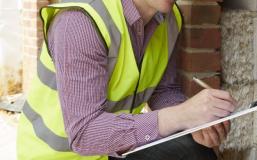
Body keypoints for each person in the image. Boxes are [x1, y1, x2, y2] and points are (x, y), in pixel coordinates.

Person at [16, 0, 237, 159]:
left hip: (114, 146)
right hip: (60, 155)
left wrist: (194, 122)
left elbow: (163, 90)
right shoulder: (79, 23)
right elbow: (84, 134)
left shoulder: (169, 19)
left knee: (195, 151)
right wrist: (180, 116)